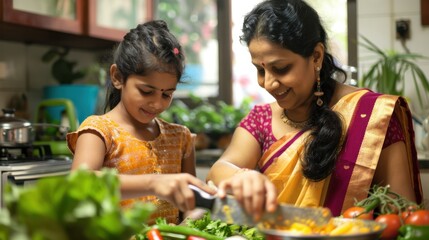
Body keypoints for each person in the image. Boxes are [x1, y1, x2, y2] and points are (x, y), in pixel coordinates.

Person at [206, 0, 423, 221]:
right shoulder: (261, 119)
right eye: (260, 70)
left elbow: (401, 212)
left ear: (316, 56)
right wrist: (242, 177)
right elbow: (218, 170)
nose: (268, 83)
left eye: (280, 68)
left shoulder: (373, 117)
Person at [66, 20, 215, 224]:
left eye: (167, 94)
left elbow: (188, 207)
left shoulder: (181, 138)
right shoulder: (99, 131)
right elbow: (80, 183)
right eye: (146, 91)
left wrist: (200, 211)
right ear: (117, 77)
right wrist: (153, 183)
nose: (156, 103)